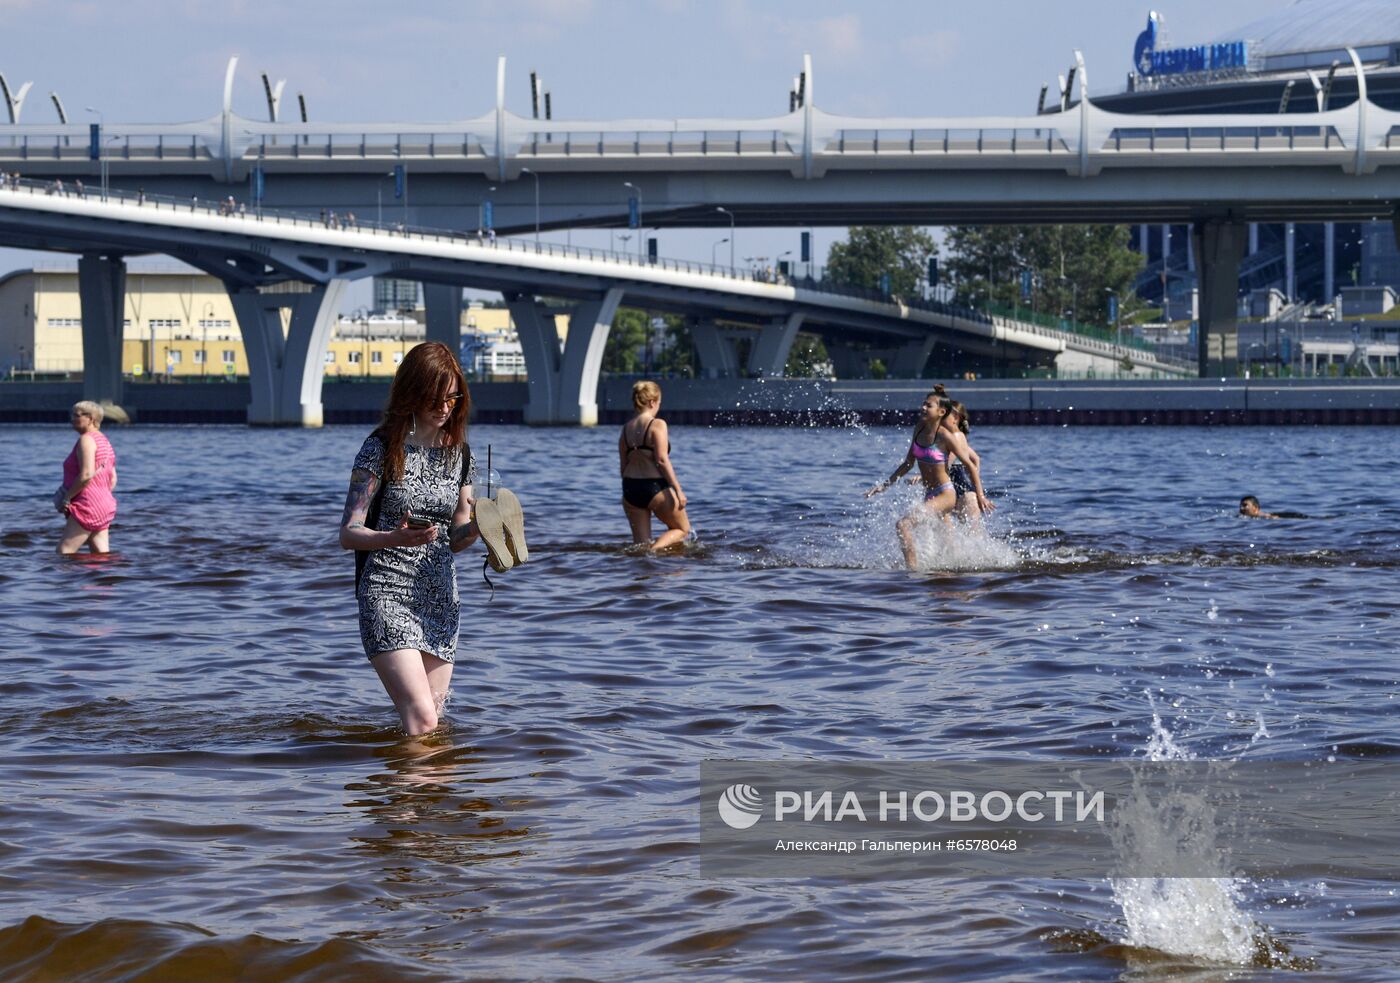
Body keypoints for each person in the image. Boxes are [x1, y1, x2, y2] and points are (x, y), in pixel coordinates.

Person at [339, 341, 481, 735]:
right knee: (422, 716)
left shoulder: (462, 455)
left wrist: (482, 529)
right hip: (386, 592)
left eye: (453, 397)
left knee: (430, 723)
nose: (445, 407)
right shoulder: (380, 448)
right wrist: (393, 538)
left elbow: (456, 536)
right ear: (412, 393)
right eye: (435, 397)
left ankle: (414, 795)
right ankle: (407, 795)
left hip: (440, 599)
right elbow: (348, 533)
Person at [866, 392, 980, 569]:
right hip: (930, 494)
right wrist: (885, 485)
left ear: (941, 412)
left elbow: (971, 464)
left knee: (903, 524)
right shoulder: (919, 428)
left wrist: (979, 496)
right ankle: (950, 577)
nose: (923, 408)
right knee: (946, 547)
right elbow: (908, 463)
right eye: (923, 404)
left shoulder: (946, 436)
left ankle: (912, 572)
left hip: (945, 494)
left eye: (928, 406)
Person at [619, 380, 689, 551]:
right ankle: (655, 552)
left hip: (630, 487)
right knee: (681, 529)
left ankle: (644, 568)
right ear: (652, 402)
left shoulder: (626, 429)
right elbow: (662, 459)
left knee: (640, 546)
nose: (658, 406)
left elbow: (623, 465)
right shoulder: (657, 424)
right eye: (659, 403)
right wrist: (678, 489)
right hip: (654, 486)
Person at [55, 400, 118, 554]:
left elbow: (86, 474)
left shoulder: (87, 440)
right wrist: (100, 497)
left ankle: (68, 579)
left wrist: (67, 498)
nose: (72, 419)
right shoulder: (104, 441)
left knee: (64, 553)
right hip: (104, 504)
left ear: (91, 419)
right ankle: (101, 578)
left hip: (87, 504)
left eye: (76, 415)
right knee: (100, 555)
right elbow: (113, 479)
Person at [933, 387, 995, 525]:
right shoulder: (955, 438)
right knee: (959, 537)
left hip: (961, 491)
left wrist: (978, 494)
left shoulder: (955, 437)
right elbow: (976, 459)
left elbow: (947, 464)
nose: (939, 417)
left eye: (944, 415)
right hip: (957, 490)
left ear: (955, 418)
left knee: (966, 535)